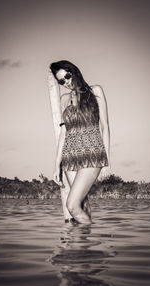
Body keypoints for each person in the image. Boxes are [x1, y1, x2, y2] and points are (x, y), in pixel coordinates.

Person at [49, 60, 110, 224]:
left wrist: (107, 162)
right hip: (70, 156)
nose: (66, 82)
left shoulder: (95, 91)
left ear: (74, 71)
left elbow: (105, 127)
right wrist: (57, 165)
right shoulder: (63, 99)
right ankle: (85, 247)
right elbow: (64, 132)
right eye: (61, 81)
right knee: (83, 204)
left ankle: (94, 245)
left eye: (67, 76)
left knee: (72, 205)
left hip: (92, 153)